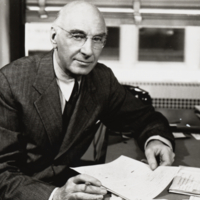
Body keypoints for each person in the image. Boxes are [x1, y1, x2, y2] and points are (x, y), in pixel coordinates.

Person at [0, 1, 175, 200]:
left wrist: (156, 140)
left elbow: (143, 117)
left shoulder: (101, 79)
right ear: (53, 36)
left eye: (98, 39)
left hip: (71, 186)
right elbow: (2, 173)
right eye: (77, 36)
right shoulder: (11, 82)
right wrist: (55, 196)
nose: (89, 51)